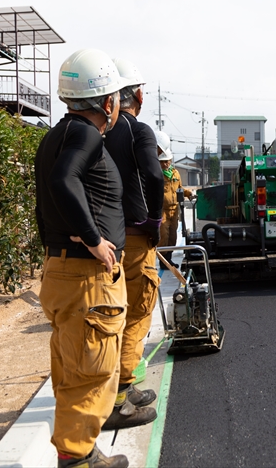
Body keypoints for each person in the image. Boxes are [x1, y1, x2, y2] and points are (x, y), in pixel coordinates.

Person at [35, 48, 129, 468]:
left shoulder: (56, 134)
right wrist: (93, 238)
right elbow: (63, 180)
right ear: (107, 103)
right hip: (85, 277)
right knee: (91, 371)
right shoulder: (87, 134)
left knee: (74, 369)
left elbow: (52, 193)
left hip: (63, 271)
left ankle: (82, 451)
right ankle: (77, 460)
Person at [101, 58, 164, 431]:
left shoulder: (96, 132)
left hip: (105, 240)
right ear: (138, 94)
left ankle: (120, 389)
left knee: (110, 313)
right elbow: (153, 175)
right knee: (138, 310)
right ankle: (122, 394)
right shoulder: (137, 129)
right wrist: (154, 219)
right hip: (137, 234)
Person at [156, 131, 194, 250]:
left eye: (168, 161)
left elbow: (179, 188)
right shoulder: (156, 174)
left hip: (174, 210)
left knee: (173, 236)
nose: (166, 164)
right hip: (162, 210)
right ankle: (163, 260)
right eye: (163, 161)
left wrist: (188, 193)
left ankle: (169, 258)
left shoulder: (175, 173)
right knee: (163, 236)